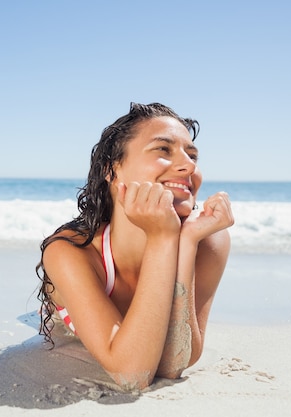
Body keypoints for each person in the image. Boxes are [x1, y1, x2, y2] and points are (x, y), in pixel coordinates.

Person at [36, 102, 234, 391]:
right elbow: (133, 374)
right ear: (112, 170)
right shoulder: (72, 252)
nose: (189, 165)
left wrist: (186, 243)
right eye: (163, 150)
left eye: (192, 155)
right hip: (64, 323)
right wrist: (161, 238)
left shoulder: (208, 239)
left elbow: (174, 363)